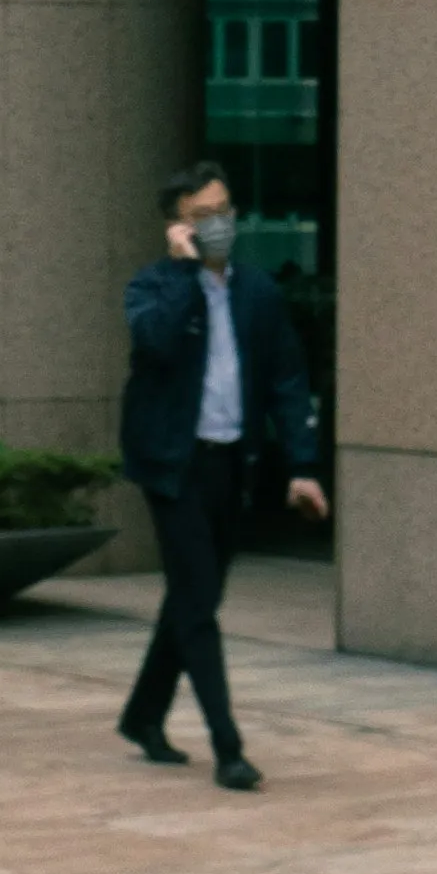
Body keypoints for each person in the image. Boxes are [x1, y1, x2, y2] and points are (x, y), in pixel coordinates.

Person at [116, 162, 324, 790]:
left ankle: (143, 715)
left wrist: (302, 467)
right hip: (172, 467)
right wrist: (184, 272)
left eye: (225, 210)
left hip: (233, 465)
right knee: (199, 604)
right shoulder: (151, 287)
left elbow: (288, 380)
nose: (220, 225)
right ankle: (228, 748)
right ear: (177, 225)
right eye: (204, 215)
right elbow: (154, 346)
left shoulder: (256, 291)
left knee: (191, 596)